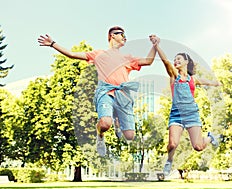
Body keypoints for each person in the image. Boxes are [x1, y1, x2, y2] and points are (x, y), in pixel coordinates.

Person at [38, 26, 159, 157]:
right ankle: (100, 135)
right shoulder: (99, 54)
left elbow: (148, 61)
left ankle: (118, 120)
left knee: (129, 136)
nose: (125, 37)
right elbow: (72, 55)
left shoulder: (127, 58)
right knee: (106, 123)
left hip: (122, 95)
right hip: (105, 92)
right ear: (112, 36)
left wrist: (155, 46)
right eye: (122, 34)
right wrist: (52, 44)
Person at [150, 36, 221, 176]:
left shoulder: (192, 79)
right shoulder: (173, 75)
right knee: (172, 144)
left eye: (179, 59)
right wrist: (157, 46)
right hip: (176, 115)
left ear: (186, 62)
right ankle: (169, 163)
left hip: (192, 114)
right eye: (175, 59)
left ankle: (211, 137)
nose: (176, 61)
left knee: (198, 147)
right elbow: (165, 62)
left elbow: (205, 81)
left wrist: (216, 83)